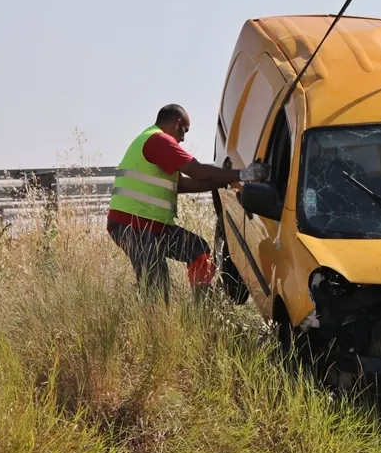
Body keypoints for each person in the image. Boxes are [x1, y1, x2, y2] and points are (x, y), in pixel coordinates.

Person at [106, 104, 268, 304]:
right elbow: (198, 171)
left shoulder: (156, 145)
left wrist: (226, 180)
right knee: (156, 285)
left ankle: (203, 309)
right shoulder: (159, 140)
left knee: (197, 249)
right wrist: (242, 174)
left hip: (153, 225)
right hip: (133, 224)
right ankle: (155, 329)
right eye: (185, 131)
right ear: (178, 124)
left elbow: (183, 184)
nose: (183, 138)